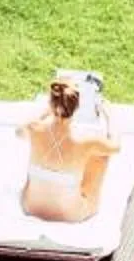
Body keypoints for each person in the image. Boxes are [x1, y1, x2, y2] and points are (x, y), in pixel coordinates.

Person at [18, 74, 117, 223]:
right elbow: (116, 147)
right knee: (101, 156)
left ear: (51, 103)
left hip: (30, 207)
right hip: (69, 215)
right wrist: (111, 117)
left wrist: (46, 112)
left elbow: (19, 130)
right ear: (77, 106)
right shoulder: (85, 141)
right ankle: (84, 198)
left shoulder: (33, 129)